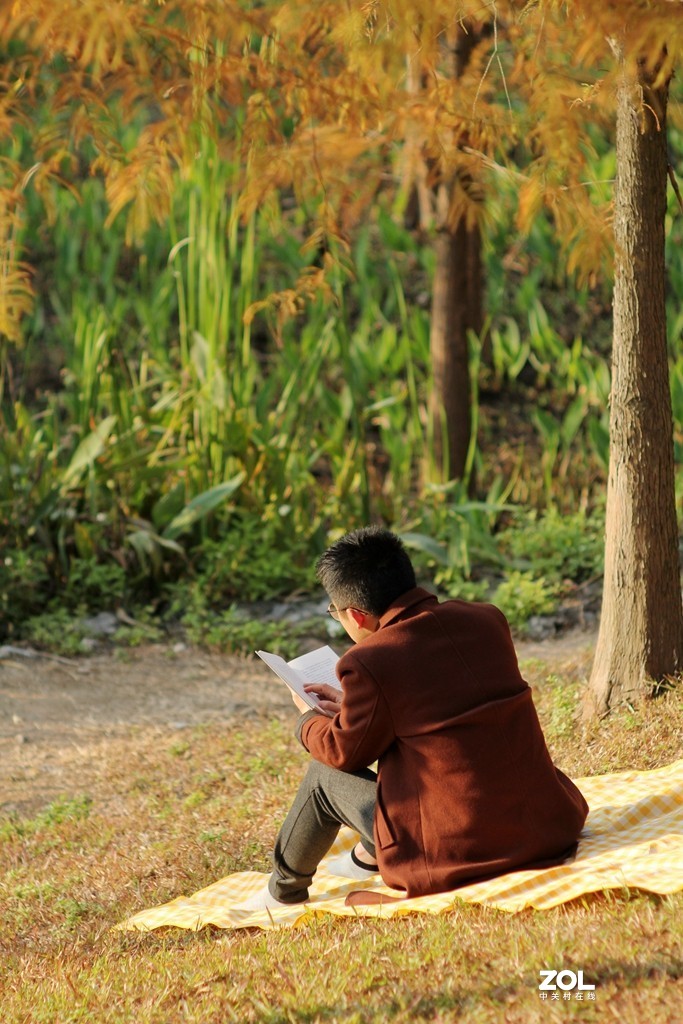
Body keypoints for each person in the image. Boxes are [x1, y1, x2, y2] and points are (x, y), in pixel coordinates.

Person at [241, 526, 588, 911]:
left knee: (323, 777)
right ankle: (366, 857)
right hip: (547, 824)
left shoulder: (370, 660)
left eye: (335, 612)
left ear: (355, 615)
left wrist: (307, 718)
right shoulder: (486, 619)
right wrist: (351, 705)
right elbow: (441, 708)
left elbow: (342, 752)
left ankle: (282, 891)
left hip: (463, 846)